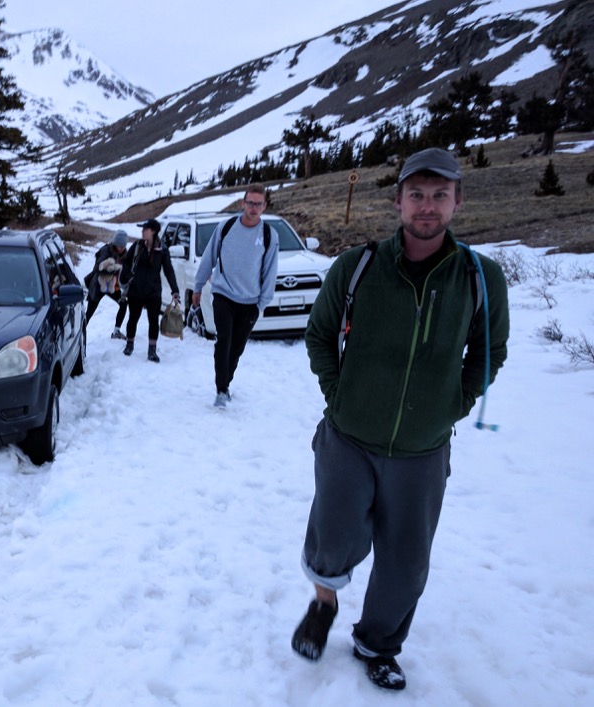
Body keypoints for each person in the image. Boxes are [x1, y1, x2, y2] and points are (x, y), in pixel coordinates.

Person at [290, 147, 510, 690]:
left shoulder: (480, 278)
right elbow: (319, 335)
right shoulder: (358, 267)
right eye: (417, 195)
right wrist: (338, 394)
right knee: (333, 535)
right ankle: (323, 606)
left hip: (422, 450)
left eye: (439, 195)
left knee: (406, 561)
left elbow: (489, 352)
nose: (427, 206)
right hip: (348, 437)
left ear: (458, 200)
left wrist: (453, 404)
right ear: (399, 201)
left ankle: (378, 644)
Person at [192, 184, 279, 408]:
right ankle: (221, 390)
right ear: (243, 203)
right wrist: (198, 286)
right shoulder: (226, 227)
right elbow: (209, 258)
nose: (253, 208)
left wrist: (262, 303)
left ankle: (226, 383)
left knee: (237, 347)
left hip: (250, 301)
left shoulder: (269, 235)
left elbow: (270, 271)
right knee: (224, 341)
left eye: (258, 204)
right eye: (250, 203)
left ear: (264, 206)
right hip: (224, 294)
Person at [119, 218, 179, 362]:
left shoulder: (162, 250)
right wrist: (129, 277)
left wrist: (174, 290)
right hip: (136, 290)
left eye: (145, 229)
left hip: (153, 291)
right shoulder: (137, 246)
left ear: (153, 232)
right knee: (133, 319)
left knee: (153, 322)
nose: (142, 232)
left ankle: (152, 351)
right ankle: (129, 344)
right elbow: (126, 262)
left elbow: (169, 270)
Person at [84, 230, 129, 339]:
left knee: (123, 304)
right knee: (90, 312)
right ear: (115, 243)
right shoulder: (106, 251)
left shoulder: (124, 254)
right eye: (119, 246)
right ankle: (79, 332)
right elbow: (97, 269)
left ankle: (116, 331)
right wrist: (113, 270)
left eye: (123, 246)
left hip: (112, 286)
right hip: (99, 286)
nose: (121, 248)